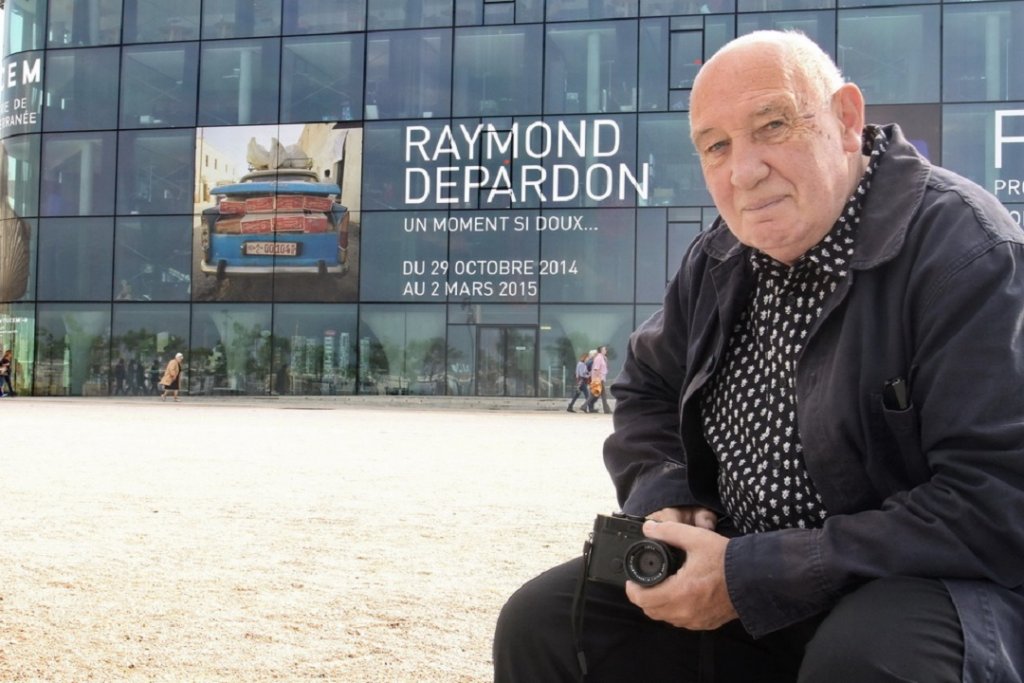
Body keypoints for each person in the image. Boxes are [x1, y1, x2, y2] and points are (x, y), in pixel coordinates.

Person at [493, 29, 1024, 683]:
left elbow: (994, 500)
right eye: (716, 146)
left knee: (867, 659)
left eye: (771, 126)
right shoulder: (717, 256)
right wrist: (673, 497)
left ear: (846, 120)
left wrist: (756, 573)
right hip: (744, 572)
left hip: (921, 584)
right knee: (544, 621)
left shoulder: (966, 250)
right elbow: (649, 389)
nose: (743, 171)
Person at [584, 346, 611, 414]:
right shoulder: (599, 358)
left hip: (600, 378)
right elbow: (596, 369)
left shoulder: (602, 358)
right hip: (599, 379)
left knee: (598, 394)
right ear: (601, 350)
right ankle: (606, 410)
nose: (606, 350)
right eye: (604, 349)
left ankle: (584, 406)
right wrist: (597, 379)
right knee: (599, 395)